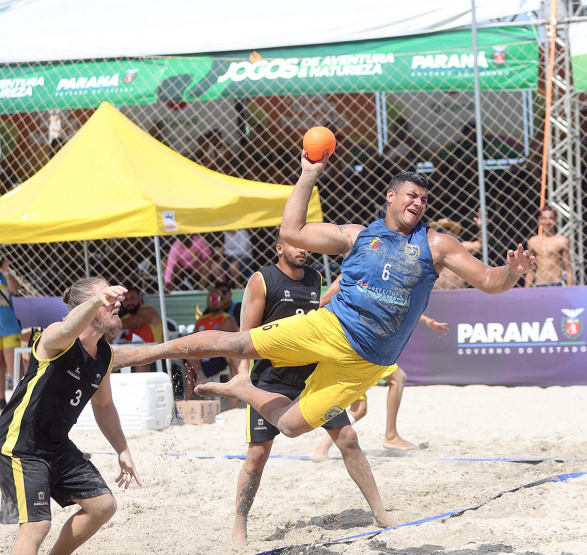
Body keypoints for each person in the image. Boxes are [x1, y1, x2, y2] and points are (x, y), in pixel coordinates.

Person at [117, 155, 534, 445]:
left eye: (423, 198)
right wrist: (308, 174)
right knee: (239, 342)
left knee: (293, 427)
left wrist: (513, 271)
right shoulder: (357, 235)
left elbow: (490, 282)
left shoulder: (437, 244)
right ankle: (138, 354)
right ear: (390, 197)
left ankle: (241, 388)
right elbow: (292, 231)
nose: (418, 202)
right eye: (410, 194)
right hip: (331, 326)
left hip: (369, 359)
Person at [231, 233, 394, 546]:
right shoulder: (262, 280)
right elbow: (244, 337)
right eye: (295, 244)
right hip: (270, 380)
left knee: (348, 438)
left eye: (305, 244)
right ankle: (240, 525)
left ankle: (379, 512)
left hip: (313, 379)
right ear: (280, 248)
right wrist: (243, 378)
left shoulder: (316, 279)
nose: (302, 249)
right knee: (257, 454)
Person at [0, 278, 141, 555]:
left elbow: (104, 405)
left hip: (56, 445)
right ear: (84, 306)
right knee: (37, 525)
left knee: (102, 506)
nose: (116, 304)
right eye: (106, 299)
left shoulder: (104, 354)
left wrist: (122, 449)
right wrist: (95, 301)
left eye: (113, 299)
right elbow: (67, 327)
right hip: (22, 444)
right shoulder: (57, 336)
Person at [309, 275, 449, 461]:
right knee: (398, 378)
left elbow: (396, 305)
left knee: (359, 408)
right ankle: (390, 436)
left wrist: (426, 321)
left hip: (357, 344)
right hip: (358, 344)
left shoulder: (374, 275)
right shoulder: (352, 275)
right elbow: (321, 303)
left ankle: (321, 449)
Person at [182, 286, 240, 402]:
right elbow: (192, 340)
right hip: (203, 356)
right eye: (210, 298)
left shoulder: (227, 319)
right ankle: (188, 401)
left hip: (219, 357)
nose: (212, 301)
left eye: (216, 298)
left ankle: (202, 377)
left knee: (226, 357)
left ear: (222, 300)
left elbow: (220, 342)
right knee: (187, 355)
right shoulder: (201, 319)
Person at [117, 286, 163, 373]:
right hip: (132, 356)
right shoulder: (124, 319)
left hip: (156, 355)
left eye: (132, 298)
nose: (129, 302)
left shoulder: (148, 311)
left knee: (141, 359)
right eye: (126, 300)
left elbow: (133, 322)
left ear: (140, 299)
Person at [525, 206, 573, 287]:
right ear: (539, 220)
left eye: (551, 218)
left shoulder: (562, 241)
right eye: (544, 218)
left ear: (555, 220)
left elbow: (568, 269)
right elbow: (530, 270)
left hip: (557, 285)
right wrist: (525, 291)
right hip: (538, 285)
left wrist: (571, 289)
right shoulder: (533, 242)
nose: (547, 222)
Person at [428, 216, 482, 290]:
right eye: (440, 230)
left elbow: (480, 244)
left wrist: (482, 227)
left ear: (453, 233)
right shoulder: (427, 250)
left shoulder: (461, 248)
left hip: (458, 294)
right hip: (434, 295)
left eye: (448, 229)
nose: (444, 232)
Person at [0, 256, 20, 410]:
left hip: (9, 326)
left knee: (13, 364)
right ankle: (1, 400)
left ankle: (19, 399)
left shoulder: (5, 276)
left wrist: (6, 271)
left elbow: (14, 289)